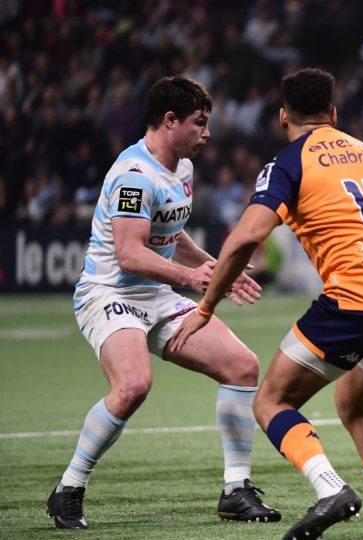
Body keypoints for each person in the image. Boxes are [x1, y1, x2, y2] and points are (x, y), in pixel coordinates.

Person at [170, 68, 363, 540]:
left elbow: (244, 238)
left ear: (281, 117)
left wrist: (206, 307)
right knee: (355, 405)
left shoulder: (288, 162)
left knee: (272, 400)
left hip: (355, 299)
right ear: (334, 114)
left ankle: (330, 488)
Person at [48, 76, 280, 529]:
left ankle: (236, 491)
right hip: (109, 293)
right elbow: (129, 252)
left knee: (243, 366)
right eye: (200, 123)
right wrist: (191, 278)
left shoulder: (182, 168)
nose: (207, 133)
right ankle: (69, 489)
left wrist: (215, 268)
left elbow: (172, 234)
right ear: (169, 120)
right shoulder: (133, 176)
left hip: (154, 293)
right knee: (133, 386)